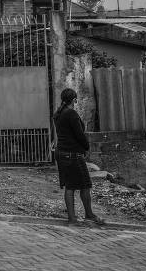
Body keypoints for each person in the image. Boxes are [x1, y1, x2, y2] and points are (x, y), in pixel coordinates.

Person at [53, 88, 105, 226]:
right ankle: (89, 215)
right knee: (85, 185)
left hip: (61, 153)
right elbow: (79, 135)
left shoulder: (58, 114)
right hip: (73, 155)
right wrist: (86, 148)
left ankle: (72, 219)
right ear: (74, 100)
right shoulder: (71, 113)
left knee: (69, 187)